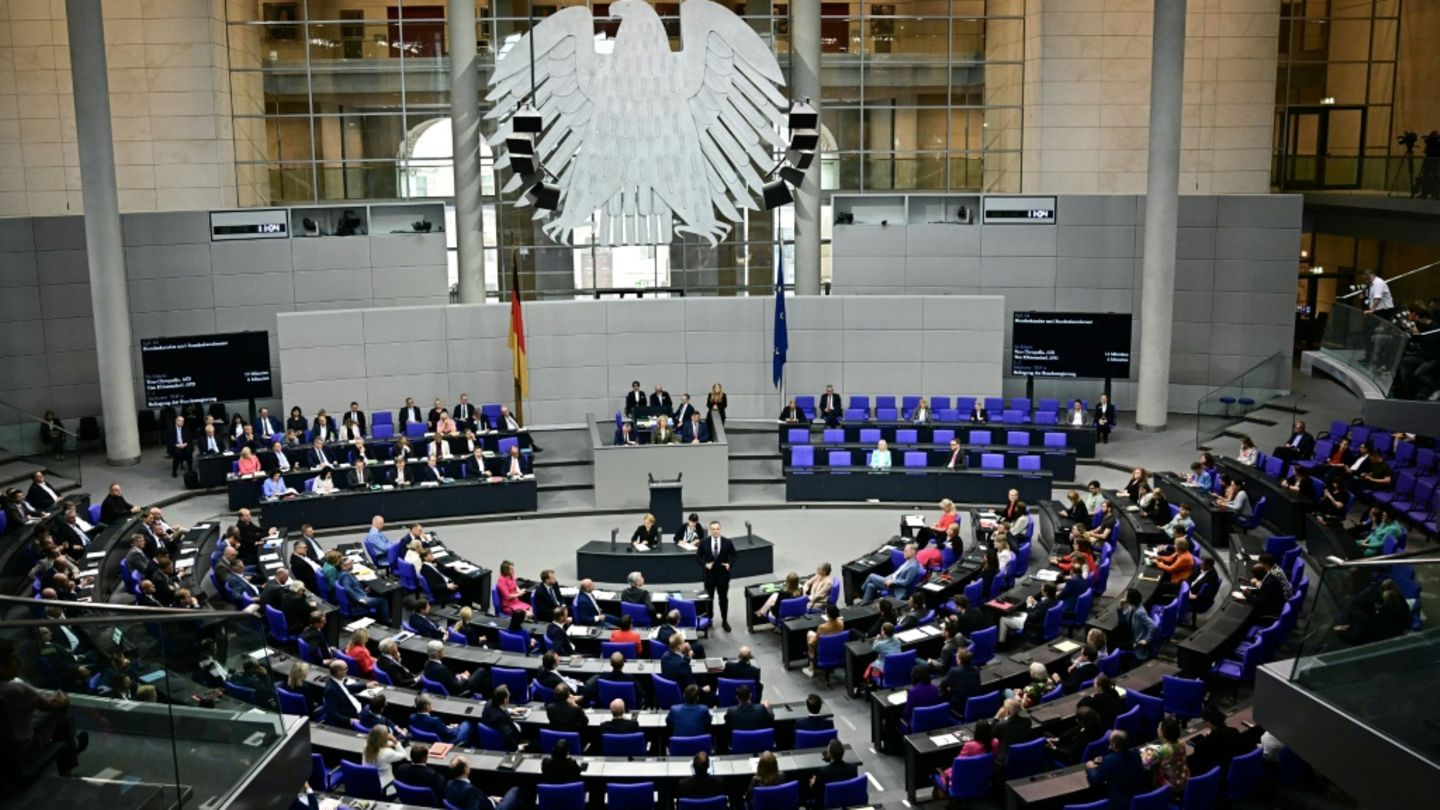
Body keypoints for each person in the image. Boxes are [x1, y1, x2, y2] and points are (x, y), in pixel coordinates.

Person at [1086, 730, 1147, 810]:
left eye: (1110, 742)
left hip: (1120, 804)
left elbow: (1095, 779)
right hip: (1139, 797)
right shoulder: (1136, 754)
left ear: (1114, 745)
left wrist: (1090, 768)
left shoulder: (1109, 761)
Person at [1187, 704, 1245, 778]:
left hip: (1219, 775)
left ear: (1209, 722)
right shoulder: (1234, 731)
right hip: (1235, 771)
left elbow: (1200, 759)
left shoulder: (1208, 743)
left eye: (1204, 721)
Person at [448, 756, 524, 810]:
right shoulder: (470, 790)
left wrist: (490, 798)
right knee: (515, 790)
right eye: (468, 764)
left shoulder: (449, 783)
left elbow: (477, 796)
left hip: (487, 801)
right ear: (465, 770)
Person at [698, 521, 735, 631]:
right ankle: (709, 620)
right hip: (709, 576)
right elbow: (698, 557)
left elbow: (734, 556)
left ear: (720, 529)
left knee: (723, 599)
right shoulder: (704, 542)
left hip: (723, 576)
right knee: (709, 599)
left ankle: (724, 621)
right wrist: (705, 564)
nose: (715, 531)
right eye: (713, 529)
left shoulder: (727, 542)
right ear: (710, 530)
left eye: (717, 528)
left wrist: (729, 564)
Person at [1140, 717, 1190, 798]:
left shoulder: (1164, 749)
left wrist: (1145, 753)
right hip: (1183, 781)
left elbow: (1146, 762)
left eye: (1159, 728)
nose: (1157, 729)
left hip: (1170, 786)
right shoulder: (1182, 744)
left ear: (1163, 734)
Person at [337, 556, 391, 623]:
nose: (352, 565)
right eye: (349, 564)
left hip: (360, 595)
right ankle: (386, 622)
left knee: (375, 594)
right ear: (343, 566)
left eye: (351, 562)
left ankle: (381, 617)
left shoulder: (344, 573)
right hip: (357, 603)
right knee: (383, 601)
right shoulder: (345, 576)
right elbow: (347, 589)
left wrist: (364, 590)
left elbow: (353, 587)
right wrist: (358, 599)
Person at [410, 692, 474, 745]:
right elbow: (451, 734)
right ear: (427, 707)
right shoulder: (435, 720)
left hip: (428, 741)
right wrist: (456, 727)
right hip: (448, 742)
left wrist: (446, 727)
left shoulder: (412, 717)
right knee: (467, 723)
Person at [809, 739, 858, 806]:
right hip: (847, 803)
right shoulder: (852, 768)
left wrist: (814, 783)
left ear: (829, 753)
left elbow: (816, 793)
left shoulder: (823, 772)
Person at [804, 604, 845, 677]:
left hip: (823, 648)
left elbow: (814, 642)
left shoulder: (822, 627)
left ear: (828, 615)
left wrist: (810, 641)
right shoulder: (841, 623)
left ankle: (811, 668)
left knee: (810, 634)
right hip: (836, 647)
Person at [479, 684, 525, 751]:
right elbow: (507, 736)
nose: (510, 695)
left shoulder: (489, 703)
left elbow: (497, 709)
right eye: (508, 695)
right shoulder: (500, 719)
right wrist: (517, 747)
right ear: (505, 700)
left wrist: (511, 711)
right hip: (505, 743)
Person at [939, 649, 982, 716]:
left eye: (957, 656)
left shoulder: (954, 671)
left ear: (959, 660)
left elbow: (942, 685)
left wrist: (950, 689)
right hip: (973, 704)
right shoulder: (976, 670)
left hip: (958, 707)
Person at [1120, 589, 1157, 661]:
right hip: (1131, 634)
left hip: (1137, 642)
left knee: (1115, 644)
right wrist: (1121, 605)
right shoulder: (1132, 607)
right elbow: (1123, 618)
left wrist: (1146, 640)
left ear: (1130, 600)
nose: (1124, 598)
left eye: (1125, 596)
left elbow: (1153, 626)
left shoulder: (1140, 612)